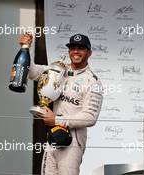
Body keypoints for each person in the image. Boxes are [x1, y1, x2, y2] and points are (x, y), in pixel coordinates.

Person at [20, 33, 103, 175]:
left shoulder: (93, 82)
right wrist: (26, 48)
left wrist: (57, 120)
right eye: (72, 48)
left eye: (81, 48)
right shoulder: (59, 69)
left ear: (89, 53)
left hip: (73, 144)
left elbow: (90, 117)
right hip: (52, 138)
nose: (76, 51)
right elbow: (32, 72)